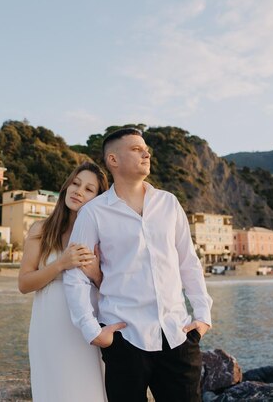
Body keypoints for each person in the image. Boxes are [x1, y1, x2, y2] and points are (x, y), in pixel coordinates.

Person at [63, 128, 213, 402]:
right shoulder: (93, 213)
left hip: (177, 336)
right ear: (113, 160)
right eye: (135, 149)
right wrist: (92, 331)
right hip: (124, 339)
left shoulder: (169, 203)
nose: (146, 153)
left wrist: (202, 316)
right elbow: (76, 275)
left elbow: (188, 261)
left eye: (146, 150)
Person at [18, 161, 110, 402]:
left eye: (89, 189)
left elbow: (114, 288)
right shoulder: (41, 229)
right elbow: (24, 284)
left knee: (89, 391)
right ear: (66, 186)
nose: (78, 191)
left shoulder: (102, 235)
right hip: (48, 326)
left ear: (98, 198)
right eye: (76, 183)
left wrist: (96, 275)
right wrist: (61, 264)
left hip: (86, 326)